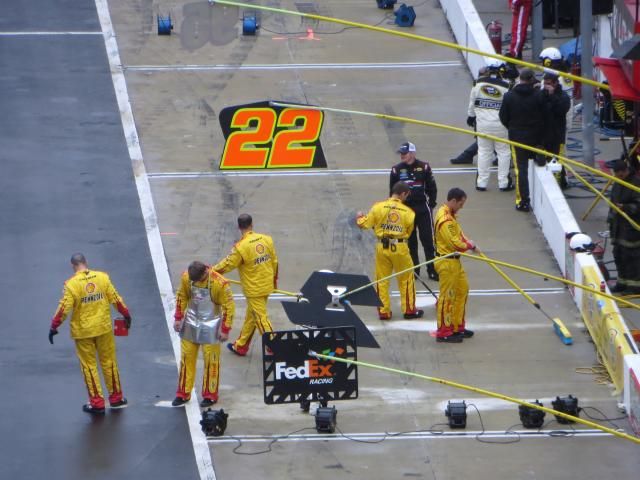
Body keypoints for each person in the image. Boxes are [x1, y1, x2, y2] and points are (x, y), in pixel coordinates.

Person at [48, 253, 131, 414]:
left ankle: (97, 403)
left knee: (89, 366)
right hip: (103, 328)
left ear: (73, 266)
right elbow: (116, 299)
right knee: (109, 362)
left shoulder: (71, 285)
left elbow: (64, 308)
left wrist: (54, 326)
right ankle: (116, 398)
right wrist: (126, 314)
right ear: (86, 262)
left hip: (83, 332)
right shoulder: (102, 278)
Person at [357, 181, 424, 320]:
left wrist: (359, 217)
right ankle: (409, 310)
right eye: (407, 195)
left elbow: (364, 224)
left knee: (381, 280)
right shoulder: (409, 212)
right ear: (403, 194)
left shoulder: (377, 207)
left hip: (382, 247)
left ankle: (384, 311)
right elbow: (408, 232)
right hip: (400, 247)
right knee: (406, 279)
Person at [172, 261, 234, 407]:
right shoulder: (187, 277)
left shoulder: (220, 284)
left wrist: (225, 329)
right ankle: (183, 393)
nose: (195, 283)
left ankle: (210, 395)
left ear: (205, 272)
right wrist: (178, 318)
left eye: (198, 280)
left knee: (211, 362)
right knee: (186, 359)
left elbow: (229, 307)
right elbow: (181, 296)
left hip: (211, 325)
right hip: (191, 322)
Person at [214, 214, 277, 356]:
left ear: (239, 227)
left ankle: (275, 347)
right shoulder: (267, 239)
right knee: (252, 316)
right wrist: (274, 280)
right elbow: (274, 261)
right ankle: (241, 346)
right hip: (267, 285)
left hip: (254, 289)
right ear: (252, 224)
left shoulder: (240, 247)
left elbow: (228, 264)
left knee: (260, 318)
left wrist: (212, 271)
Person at [389, 141, 439, 280]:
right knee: (411, 242)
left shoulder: (424, 167)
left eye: (405, 153)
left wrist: (431, 204)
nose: (402, 156)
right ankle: (415, 270)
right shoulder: (396, 170)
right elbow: (392, 192)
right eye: (401, 153)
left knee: (427, 240)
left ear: (412, 153)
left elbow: (432, 188)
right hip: (405, 210)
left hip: (422, 209)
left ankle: (432, 269)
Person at [499, 68, 545, 212]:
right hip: (536, 137)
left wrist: (512, 127)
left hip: (517, 136)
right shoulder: (539, 95)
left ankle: (523, 201)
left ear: (520, 78)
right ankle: (539, 157)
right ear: (532, 79)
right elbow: (545, 115)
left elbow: (503, 117)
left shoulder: (509, 96)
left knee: (521, 169)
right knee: (537, 163)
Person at [433, 188, 476, 343]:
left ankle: (457, 326)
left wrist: (469, 242)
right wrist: (469, 246)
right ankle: (444, 331)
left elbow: (460, 234)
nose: (461, 207)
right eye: (460, 204)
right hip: (447, 262)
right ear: (453, 201)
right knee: (447, 297)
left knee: (462, 290)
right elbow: (455, 243)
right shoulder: (445, 219)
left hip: (454, 261)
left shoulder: (450, 215)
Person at [467, 59, 513, 192]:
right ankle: (504, 183)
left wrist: (470, 117)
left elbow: (472, 104)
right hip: (501, 125)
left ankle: (481, 183)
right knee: (503, 152)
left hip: (482, 125)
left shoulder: (477, 84)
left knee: (483, 152)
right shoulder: (507, 86)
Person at [607, 160, 640, 294]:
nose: (618, 177)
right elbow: (612, 201)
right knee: (618, 255)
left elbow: (638, 205)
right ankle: (622, 282)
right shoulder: (618, 182)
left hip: (631, 228)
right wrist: (610, 219)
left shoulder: (636, 183)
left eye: (620, 175)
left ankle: (635, 286)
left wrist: (625, 207)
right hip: (618, 227)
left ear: (626, 171)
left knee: (631, 258)